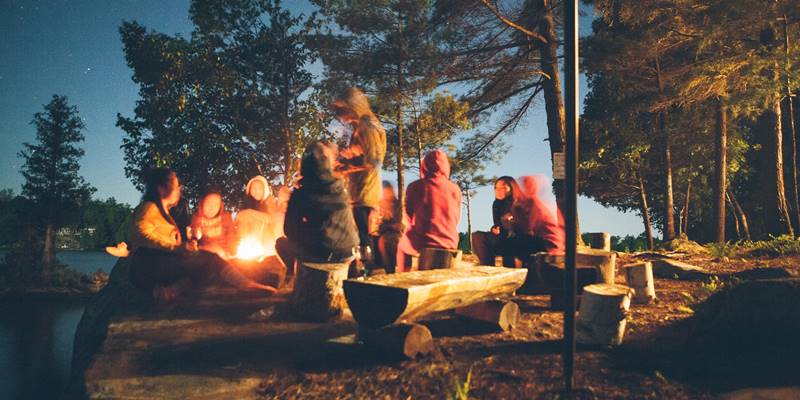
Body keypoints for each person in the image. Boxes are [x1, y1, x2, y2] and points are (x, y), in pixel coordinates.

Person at [127, 168, 275, 302]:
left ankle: (169, 292)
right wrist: (176, 248)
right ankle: (245, 284)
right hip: (148, 264)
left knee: (202, 269)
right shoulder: (149, 208)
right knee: (210, 259)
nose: (179, 189)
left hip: (159, 263)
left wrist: (184, 248)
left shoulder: (164, 212)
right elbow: (141, 234)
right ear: (161, 189)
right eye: (176, 185)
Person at [276, 142, 359, 274]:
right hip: (349, 251)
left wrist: (309, 233)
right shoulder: (340, 187)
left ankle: (297, 276)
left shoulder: (301, 193)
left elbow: (290, 230)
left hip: (322, 254)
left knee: (281, 243)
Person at [332, 87, 387, 267]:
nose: (341, 116)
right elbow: (366, 154)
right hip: (360, 191)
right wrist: (349, 156)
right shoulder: (363, 126)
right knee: (363, 236)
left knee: (364, 237)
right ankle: (371, 275)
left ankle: (370, 278)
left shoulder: (368, 125)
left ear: (353, 106)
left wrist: (345, 167)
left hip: (365, 192)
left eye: (342, 110)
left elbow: (374, 160)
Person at [396, 150, 462, 271]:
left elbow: (408, 215)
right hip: (450, 241)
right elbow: (456, 217)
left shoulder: (415, 186)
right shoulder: (455, 189)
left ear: (424, 166)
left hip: (423, 241)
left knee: (401, 246)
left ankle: (403, 276)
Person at [470, 176, 524, 266]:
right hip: (502, 238)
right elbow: (497, 224)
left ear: (511, 188)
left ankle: (510, 270)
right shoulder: (496, 204)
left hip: (517, 240)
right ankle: (488, 267)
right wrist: (494, 229)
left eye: (502, 188)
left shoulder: (519, 202)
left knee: (509, 242)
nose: (498, 190)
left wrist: (512, 222)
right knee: (477, 236)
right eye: (496, 188)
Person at [510, 175, 566, 256]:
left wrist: (511, 224)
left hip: (550, 244)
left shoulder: (534, 203)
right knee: (513, 241)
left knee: (513, 242)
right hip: (546, 242)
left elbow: (528, 229)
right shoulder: (522, 204)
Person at [236, 175, 279, 256]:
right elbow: (238, 217)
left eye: (260, 188)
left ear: (265, 190)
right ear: (250, 190)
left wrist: (250, 212)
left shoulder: (270, 201)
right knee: (245, 218)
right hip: (250, 240)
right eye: (254, 188)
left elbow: (272, 219)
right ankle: (246, 247)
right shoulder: (247, 204)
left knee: (256, 219)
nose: (257, 191)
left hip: (268, 239)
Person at [189, 189, 237, 259]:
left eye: (216, 204)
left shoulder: (226, 217)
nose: (212, 208)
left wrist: (232, 252)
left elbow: (231, 237)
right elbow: (194, 239)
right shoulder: (197, 219)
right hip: (204, 256)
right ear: (202, 203)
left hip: (224, 257)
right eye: (208, 204)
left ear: (220, 206)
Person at [375, 181, 405, 273]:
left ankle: (393, 269)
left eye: (387, 191)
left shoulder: (397, 205)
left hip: (395, 235)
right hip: (383, 234)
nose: (386, 194)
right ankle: (388, 269)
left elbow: (400, 225)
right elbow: (377, 224)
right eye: (384, 192)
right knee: (382, 242)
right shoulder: (379, 204)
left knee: (392, 242)